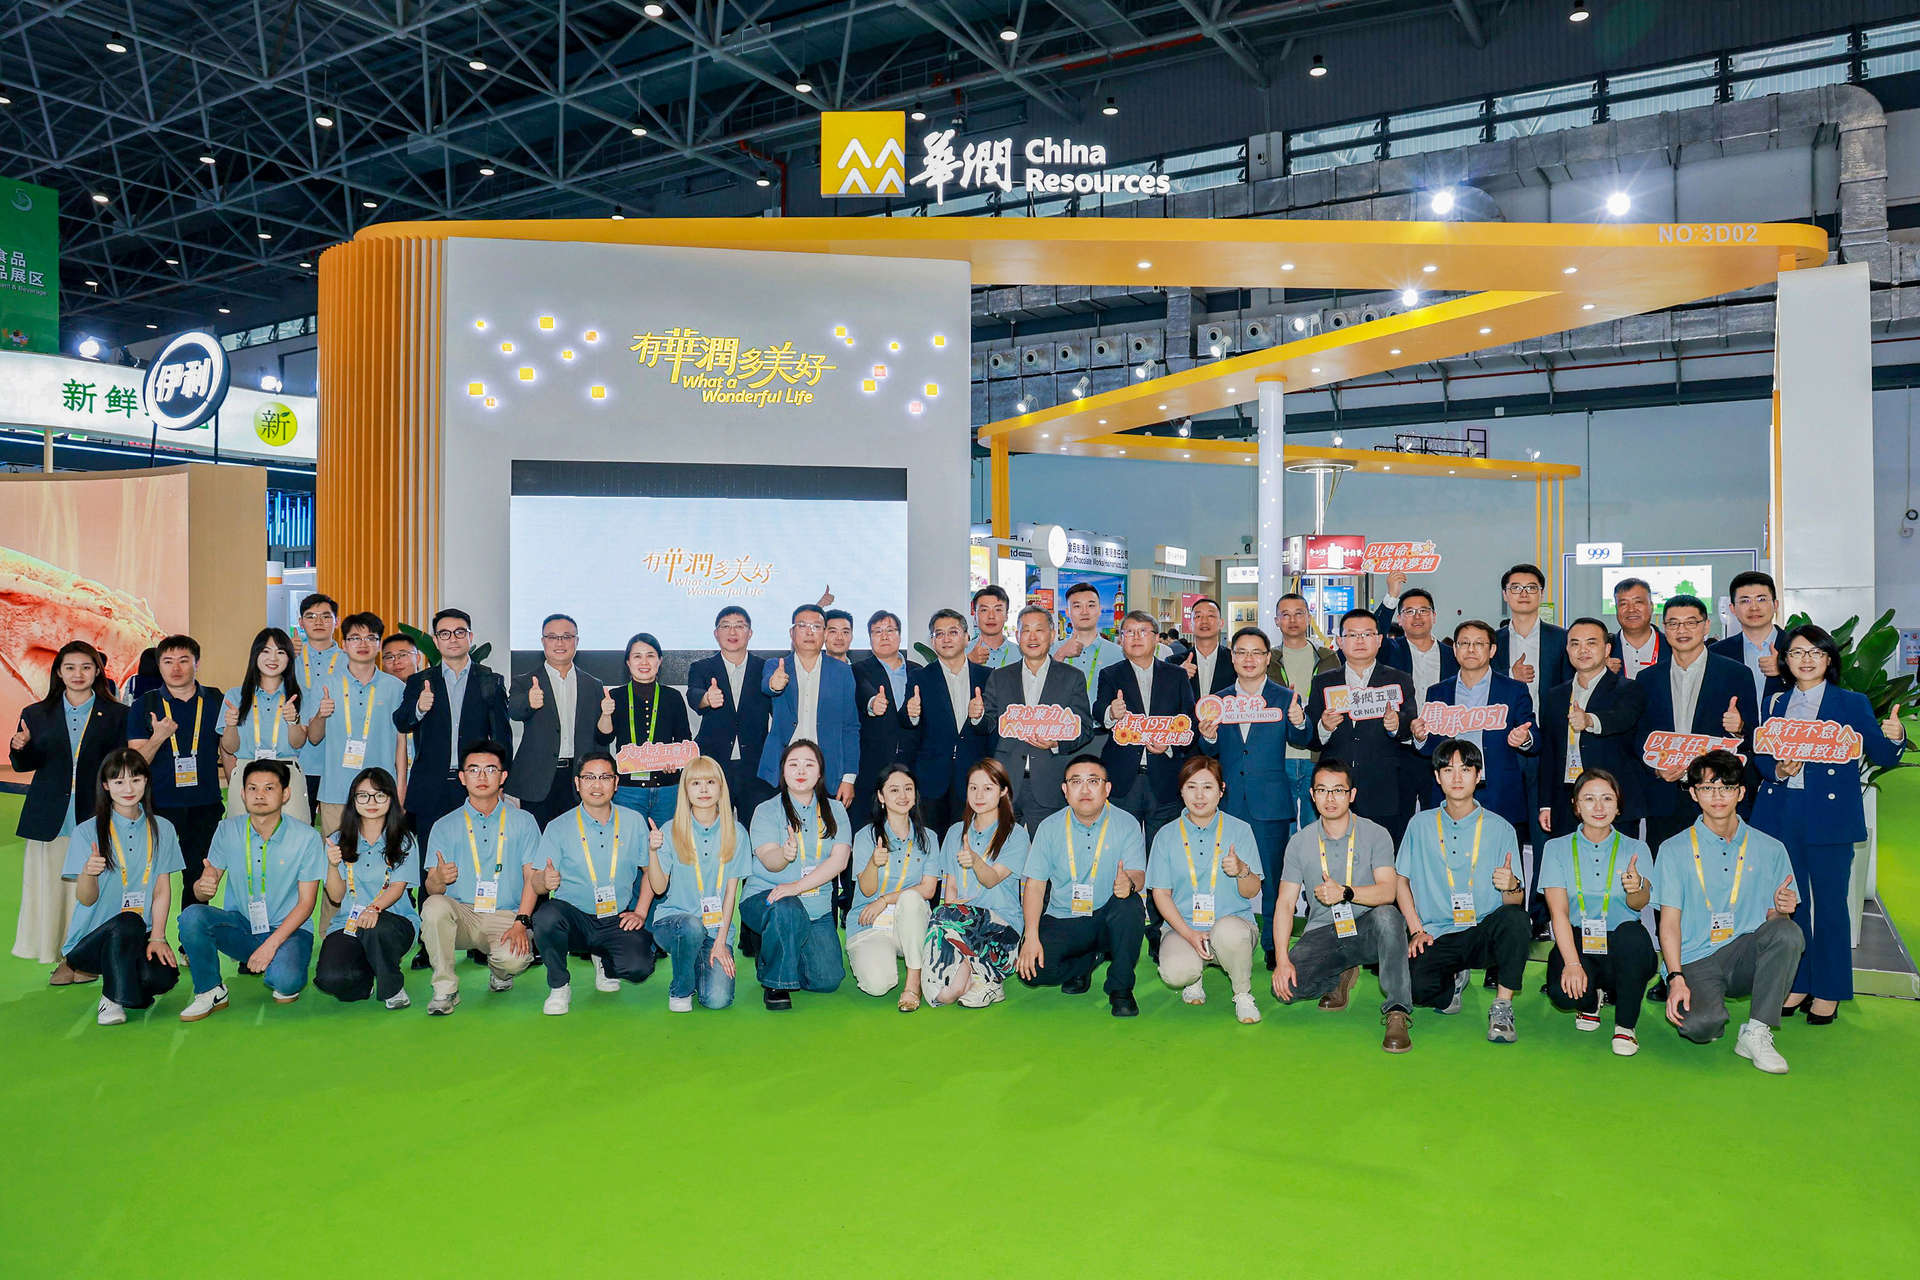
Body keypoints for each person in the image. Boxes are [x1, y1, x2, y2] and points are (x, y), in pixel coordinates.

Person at [1751, 623, 1908, 1023]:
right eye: (1796, 652)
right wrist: (1779, 770)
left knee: (1831, 904)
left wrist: (1895, 736)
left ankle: (1831, 988)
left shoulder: (1850, 702)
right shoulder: (1775, 702)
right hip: (1782, 811)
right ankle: (1799, 981)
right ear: (1785, 660)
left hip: (1830, 816)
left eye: (1815, 652)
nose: (1806, 660)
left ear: (1828, 658)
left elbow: (1883, 755)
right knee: (1790, 901)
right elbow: (1762, 755)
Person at [1655, 749, 1805, 1073]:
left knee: (1788, 933)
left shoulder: (1771, 848)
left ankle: (1757, 1031)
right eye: (1708, 788)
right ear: (1693, 794)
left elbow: (1776, 925)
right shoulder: (1673, 849)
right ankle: (1711, 1010)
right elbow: (1669, 924)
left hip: (1744, 952)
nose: (1717, 796)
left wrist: (1783, 910)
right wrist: (1676, 977)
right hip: (1696, 957)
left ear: (1741, 792)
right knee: (1700, 1026)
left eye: (1726, 787)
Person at [1271, 759, 1414, 1052]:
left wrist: (1345, 893)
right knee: (1288, 989)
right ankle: (1341, 972)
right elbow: (1285, 904)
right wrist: (1282, 960)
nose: (1330, 798)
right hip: (1324, 932)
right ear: (1312, 795)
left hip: (1367, 929)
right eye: (1322, 790)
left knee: (1388, 917)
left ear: (1352, 795)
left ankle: (1397, 1010)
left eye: (1338, 790)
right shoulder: (1299, 842)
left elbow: (1388, 891)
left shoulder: (1376, 834)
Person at [1394, 739, 1530, 1042]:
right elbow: (1401, 880)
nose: (1457, 777)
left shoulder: (1501, 828)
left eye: (1466, 769)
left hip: (1483, 931)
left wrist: (1512, 885)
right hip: (1437, 933)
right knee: (1413, 988)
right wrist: (1416, 930)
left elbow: (1515, 901)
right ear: (1437, 777)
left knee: (1516, 919)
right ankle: (1452, 983)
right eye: (1448, 770)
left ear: (1478, 775)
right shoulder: (1420, 824)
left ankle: (1502, 1005)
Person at [11, 640, 127, 981]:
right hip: (50, 816)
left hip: (95, 814)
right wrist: (19, 747)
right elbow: (24, 764)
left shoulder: (117, 714)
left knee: (92, 890)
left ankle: (86, 958)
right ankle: (61, 955)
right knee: (52, 890)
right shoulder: (35, 713)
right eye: (70, 668)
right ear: (58, 673)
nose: (78, 674)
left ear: (98, 672)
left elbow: (119, 766)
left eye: (86, 667)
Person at [177, 760, 326, 1019]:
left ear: (285, 794)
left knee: (285, 983)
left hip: (289, 931)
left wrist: (270, 946)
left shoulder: (307, 837)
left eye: (269, 788)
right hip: (242, 927)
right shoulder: (227, 830)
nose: (259, 795)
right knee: (191, 916)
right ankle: (210, 990)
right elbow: (203, 892)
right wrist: (203, 886)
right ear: (243, 794)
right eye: (252, 788)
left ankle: (278, 963)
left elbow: (306, 904)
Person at [1197, 626, 1309, 969]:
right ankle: (1222, 943)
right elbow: (1208, 750)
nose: (1249, 659)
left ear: (1267, 658)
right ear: (1232, 658)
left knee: (1273, 879)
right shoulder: (1217, 701)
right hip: (1229, 802)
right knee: (1223, 875)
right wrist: (1208, 736)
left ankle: (1275, 946)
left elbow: (1302, 739)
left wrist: (1299, 720)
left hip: (1270, 803)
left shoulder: (1284, 697)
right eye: (1241, 652)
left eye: (1256, 652)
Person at [1015, 754, 1147, 1016]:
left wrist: (1129, 883)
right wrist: (1030, 936)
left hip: (1109, 917)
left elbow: (1138, 875)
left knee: (1130, 906)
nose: (1085, 789)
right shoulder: (1049, 827)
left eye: (1093, 781)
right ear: (1065, 790)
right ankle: (1087, 960)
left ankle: (1120, 989)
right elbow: (1035, 886)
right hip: (1066, 917)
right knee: (1032, 971)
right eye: (1076, 782)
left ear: (1107, 788)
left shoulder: (1126, 824)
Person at [58, 750, 182, 1025]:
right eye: (118, 782)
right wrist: (88, 873)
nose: (128, 789)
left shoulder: (163, 828)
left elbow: (162, 890)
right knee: (128, 921)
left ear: (146, 781)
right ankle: (111, 999)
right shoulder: (86, 832)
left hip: (139, 935)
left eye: (136, 780)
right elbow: (86, 899)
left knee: (162, 978)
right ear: (105, 785)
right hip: (91, 942)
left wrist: (158, 937)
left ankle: (127, 990)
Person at [418, 739, 541, 1014]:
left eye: (490, 769)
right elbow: (432, 888)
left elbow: (531, 878)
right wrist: (439, 878)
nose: (482, 777)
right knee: (433, 906)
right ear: (462, 777)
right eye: (473, 770)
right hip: (461, 913)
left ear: (503, 776)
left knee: (514, 959)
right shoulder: (444, 825)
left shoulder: (524, 821)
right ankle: (445, 989)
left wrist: (521, 921)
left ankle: (500, 972)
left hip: (504, 915)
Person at [529, 750, 656, 1015]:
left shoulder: (633, 822)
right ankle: (559, 985)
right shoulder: (558, 826)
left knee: (639, 966)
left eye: (605, 777)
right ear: (577, 783)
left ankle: (604, 961)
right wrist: (544, 880)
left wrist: (641, 911)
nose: (597, 785)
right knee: (546, 917)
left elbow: (650, 872)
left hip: (615, 917)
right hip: (574, 917)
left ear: (616, 783)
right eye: (589, 777)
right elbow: (537, 884)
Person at [1540, 769, 1656, 1055]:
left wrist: (1637, 887)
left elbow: (1639, 905)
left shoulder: (1636, 848)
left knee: (1633, 936)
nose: (1599, 807)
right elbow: (1558, 914)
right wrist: (1572, 964)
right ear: (1576, 806)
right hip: (1578, 941)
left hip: (1623, 945)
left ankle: (1625, 1026)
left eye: (1607, 798)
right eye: (1589, 799)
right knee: (1562, 994)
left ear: (1618, 805)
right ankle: (1591, 1002)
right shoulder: (1556, 848)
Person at [1634, 594, 1758, 855]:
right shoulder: (1647, 679)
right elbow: (1639, 736)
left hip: (1717, 796)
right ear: (1664, 628)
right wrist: (1656, 769)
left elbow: (1753, 738)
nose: (1682, 630)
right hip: (1666, 797)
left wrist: (1739, 728)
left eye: (1691, 622)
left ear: (1706, 626)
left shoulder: (1736, 674)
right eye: (1674, 623)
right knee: (1668, 870)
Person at [1146, 756, 1263, 1023]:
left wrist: (1242, 870)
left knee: (1229, 932)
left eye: (1208, 787)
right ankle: (1193, 977)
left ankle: (1242, 994)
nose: (1199, 796)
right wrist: (1189, 934)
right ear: (1181, 791)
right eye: (1191, 787)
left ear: (1221, 791)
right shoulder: (1166, 835)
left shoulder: (1240, 830)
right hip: (1183, 927)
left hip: (1232, 924)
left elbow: (1251, 891)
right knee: (1175, 973)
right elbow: (1161, 894)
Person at [743, 739, 851, 1009]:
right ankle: (776, 983)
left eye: (809, 764)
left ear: (820, 772)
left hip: (815, 906)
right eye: (793, 764)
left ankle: (779, 949)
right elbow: (769, 860)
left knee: (827, 980)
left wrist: (797, 886)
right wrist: (784, 854)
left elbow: (839, 862)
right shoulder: (766, 810)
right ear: (783, 771)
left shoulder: (836, 810)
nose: (801, 771)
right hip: (768, 899)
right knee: (787, 908)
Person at [392, 608, 513, 841]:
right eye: (445, 634)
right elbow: (401, 722)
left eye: (459, 632)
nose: (453, 639)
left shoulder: (490, 681)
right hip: (430, 787)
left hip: (475, 785)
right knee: (431, 855)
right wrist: (419, 708)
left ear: (470, 637)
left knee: (475, 852)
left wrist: (499, 784)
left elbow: (502, 739)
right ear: (436, 641)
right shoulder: (420, 681)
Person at [642, 755, 751, 1012]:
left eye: (710, 782)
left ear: (721, 788)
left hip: (715, 929)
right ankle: (681, 989)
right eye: (696, 783)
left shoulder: (737, 833)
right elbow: (659, 888)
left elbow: (731, 894)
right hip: (675, 923)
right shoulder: (670, 830)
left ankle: (695, 961)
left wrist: (721, 942)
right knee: (691, 927)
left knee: (718, 1000)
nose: (703, 789)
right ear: (686, 790)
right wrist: (653, 852)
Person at [125, 634, 225, 909]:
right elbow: (135, 763)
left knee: (197, 876)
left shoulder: (216, 700)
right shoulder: (144, 705)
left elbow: (228, 751)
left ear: (197, 663)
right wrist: (158, 737)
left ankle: (190, 934)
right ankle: (148, 933)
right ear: (159, 666)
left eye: (184, 660)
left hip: (204, 804)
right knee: (150, 876)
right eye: (168, 661)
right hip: (158, 805)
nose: (176, 668)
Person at [1305, 609, 1418, 845]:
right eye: (1352, 635)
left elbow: (1411, 724)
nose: (1360, 641)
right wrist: (1324, 727)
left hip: (1384, 786)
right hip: (1336, 789)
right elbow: (1311, 739)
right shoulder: (1323, 682)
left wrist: (1396, 725)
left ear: (1379, 640)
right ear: (1340, 642)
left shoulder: (1399, 680)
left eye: (1367, 634)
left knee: (1383, 854)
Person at [1412, 619, 1536, 831]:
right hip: (1450, 792)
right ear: (1455, 649)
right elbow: (1431, 748)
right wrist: (1421, 738)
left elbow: (1535, 737)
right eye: (1464, 643)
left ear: (1492, 650)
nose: (1471, 649)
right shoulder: (1438, 692)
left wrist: (1525, 738)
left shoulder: (1514, 690)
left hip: (1498, 791)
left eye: (1479, 643)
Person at [925, 759, 1030, 1009]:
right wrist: (952, 915)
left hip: (1002, 931)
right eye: (973, 788)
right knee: (944, 994)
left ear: (1003, 791)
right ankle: (979, 977)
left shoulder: (1016, 835)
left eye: (988, 788)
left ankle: (985, 976)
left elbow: (991, 879)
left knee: (945, 916)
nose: (979, 795)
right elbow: (950, 888)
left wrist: (975, 860)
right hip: (958, 924)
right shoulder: (955, 832)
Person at [982, 605, 1094, 830]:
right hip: (1005, 783)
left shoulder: (1072, 677)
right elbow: (988, 726)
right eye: (1026, 630)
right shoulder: (999, 677)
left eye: (1039, 630)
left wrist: (1057, 743)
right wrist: (977, 717)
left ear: (1052, 635)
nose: (1032, 637)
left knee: (1048, 848)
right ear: (1017, 636)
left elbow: (1085, 728)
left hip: (1049, 782)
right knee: (1002, 847)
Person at [315, 766, 418, 1009]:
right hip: (349, 923)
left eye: (379, 795)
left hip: (393, 922)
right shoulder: (337, 840)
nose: (371, 802)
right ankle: (368, 977)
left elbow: (397, 887)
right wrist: (332, 865)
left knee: (375, 928)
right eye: (363, 795)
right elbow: (336, 896)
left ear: (391, 799)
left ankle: (392, 986)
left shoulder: (404, 840)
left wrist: (374, 908)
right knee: (331, 978)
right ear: (353, 800)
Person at [1538, 616, 1648, 839]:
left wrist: (1589, 720)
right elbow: (1549, 751)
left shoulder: (1628, 689)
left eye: (1591, 643)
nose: (1583, 650)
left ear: (1607, 649)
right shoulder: (1555, 695)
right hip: (1566, 801)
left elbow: (1622, 718)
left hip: (1613, 800)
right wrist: (1546, 803)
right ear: (1567, 649)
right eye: (1575, 643)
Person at [1096, 609, 1197, 847]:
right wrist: (1111, 712)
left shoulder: (1176, 676)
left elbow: (1190, 721)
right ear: (1121, 640)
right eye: (1129, 632)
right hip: (1122, 778)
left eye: (1143, 631)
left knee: (1163, 850)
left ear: (1156, 638)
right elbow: (1098, 709)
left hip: (1164, 777)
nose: (1136, 637)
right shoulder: (1110, 674)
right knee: (1120, 848)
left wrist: (1169, 745)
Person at [305, 612, 408, 837]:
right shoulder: (326, 685)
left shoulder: (396, 688)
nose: (363, 644)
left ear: (379, 644)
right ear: (344, 645)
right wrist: (321, 715)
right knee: (336, 855)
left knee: (382, 854)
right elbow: (313, 738)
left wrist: (400, 793)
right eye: (355, 638)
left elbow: (401, 746)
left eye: (371, 638)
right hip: (336, 793)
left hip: (382, 792)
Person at [845, 764, 937, 1009]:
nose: (903, 795)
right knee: (878, 986)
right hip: (870, 922)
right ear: (881, 796)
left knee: (911, 898)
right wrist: (873, 864)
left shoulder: (929, 838)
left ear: (915, 795)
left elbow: (928, 890)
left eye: (908, 788)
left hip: (911, 920)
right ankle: (887, 959)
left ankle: (913, 983)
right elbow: (866, 891)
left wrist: (885, 900)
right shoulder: (865, 836)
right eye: (894, 790)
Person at [508, 613, 606, 828]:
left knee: (578, 840)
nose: (560, 643)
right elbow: (514, 711)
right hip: (538, 780)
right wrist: (528, 701)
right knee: (539, 843)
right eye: (552, 637)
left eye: (567, 637)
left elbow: (600, 738)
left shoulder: (593, 684)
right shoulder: (524, 681)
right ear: (543, 641)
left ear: (576, 641)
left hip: (579, 778)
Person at [758, 603, 860, 807]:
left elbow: (850, 727)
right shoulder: (776, 665)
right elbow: (768, 686)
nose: (809, 632)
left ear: (824, 633)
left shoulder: (842, 672)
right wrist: (774, 684)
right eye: (802, 625)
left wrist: (849, 778)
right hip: (782, 767)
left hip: (827, 769)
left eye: (816, 626)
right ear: (792, 632)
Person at [902, 608, 990, 831]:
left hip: (974, 777)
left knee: (970, 841)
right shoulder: (920, 677)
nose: (946, 639)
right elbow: (907, 724)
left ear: (967, 637)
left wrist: (978, 718)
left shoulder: (987, 677)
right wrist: (912, 714)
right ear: (932, 641)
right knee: (931, 841)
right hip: (931, 779)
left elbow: (993, 727)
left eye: (953, 632)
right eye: (939, 634)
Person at [595, 631, 692, 829]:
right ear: (628, 662)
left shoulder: (673, 697)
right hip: (627, 790)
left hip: (667, 789)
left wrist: (676, 762)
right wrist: (605, 714)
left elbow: (684, 740)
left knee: (666, 842)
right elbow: (603, 738)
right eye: (637, 656)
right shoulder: (615, 696)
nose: (644, 662)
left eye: (650, 655)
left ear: (660, 661)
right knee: (629, 843)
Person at [687, 605, 772, 822]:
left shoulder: (765, 668)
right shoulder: (702, 667)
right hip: (714, 766)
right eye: (725, 626)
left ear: (750, 633)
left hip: (756, 768)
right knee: (712, 827)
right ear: (716, 633)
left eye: (739, 626)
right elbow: (693, 694)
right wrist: (707, 698)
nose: (732, 632)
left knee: (757, 828)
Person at [217, 627, 309, 823]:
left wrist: (293, 721)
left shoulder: (298, 696)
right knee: (243, 835)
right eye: (266, 651)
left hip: (287, 773)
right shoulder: (235, 695)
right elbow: (230, 747)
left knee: (293, 836)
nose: (273, 658)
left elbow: (298, 743)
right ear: (255, 655)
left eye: (280, 652)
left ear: (289, 658)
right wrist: (231, 725)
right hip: (246, 772)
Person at [1267, 592, 1339, 829]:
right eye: (1285, 614)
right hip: (1279, 754)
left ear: (1309, 618)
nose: (1292, 620)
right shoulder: (1268, 659)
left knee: (1316, 826)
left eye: (1299, 613)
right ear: (1277, 621)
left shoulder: (1328, 658)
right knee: (1282, 826)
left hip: (1317, 754)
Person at [851, 609, 919, 824]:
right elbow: (863, 693)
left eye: (890, 630)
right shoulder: (857, 670)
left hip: (912, 763)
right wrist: (873, 704)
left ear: (900, 635)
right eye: (877, 631)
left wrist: (915, 715)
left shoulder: (918, 671)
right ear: (869, 638)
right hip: (872, 765)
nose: (884, 636)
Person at [295, 592, 344, 813]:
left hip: (337, 760)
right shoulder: (287, 659)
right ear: (300, 622)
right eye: (311, 616)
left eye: (325, 616)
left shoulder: (350, 661)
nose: (318, 622)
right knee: (298, 824)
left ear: (337, 621)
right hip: (298, 759)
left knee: (338, 827)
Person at [1711, 570, 1787, 710]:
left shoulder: (1796, 648)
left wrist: (1785, 671)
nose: (1754, 607)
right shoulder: (1717, 653)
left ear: (1775, 605)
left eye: (1761, 599)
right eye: (1745, 601)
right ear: (1732, 608)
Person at [1380, 584, 1458, 710]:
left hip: (1442, 721)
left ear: (1434, 617)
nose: (1417, 616)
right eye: (1409, 611)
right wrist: (1391, 597)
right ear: (1399, 619)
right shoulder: (1390, 650)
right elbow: (1375, 632)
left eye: (1423, 611)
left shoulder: (1453, 655)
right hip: (1400, 721)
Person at [1055, 581, 1123, 703]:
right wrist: (1060, 655)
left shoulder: (1119, 654)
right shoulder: (1054, 650)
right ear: (1067, 612)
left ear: (1100, 610)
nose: (1084, 612)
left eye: (1091, 605)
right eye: (1077, 606)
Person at [1606, 578, 1664, 679]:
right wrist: (1599, 673)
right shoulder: (1603, 651)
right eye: (1623, 604)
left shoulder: (1673, 647)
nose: (1631, 609)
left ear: (1651, 606)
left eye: (1638, 602)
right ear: (1616, 609)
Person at [1180, 597, 1236, 698]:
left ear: (1221, 623)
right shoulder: (1174, 663)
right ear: (1190, 625)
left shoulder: (1235, 660)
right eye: (1198, 616)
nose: (1204, 621)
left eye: (1211, 616)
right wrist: (1177, 677)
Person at [966, 584, 1021, 668]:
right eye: (984, 610)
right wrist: (968, 662)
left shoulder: (1021, 654)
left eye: (998, 610)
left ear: (1006, 615)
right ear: (975, 616)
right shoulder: (962, 652)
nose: (991, 616)